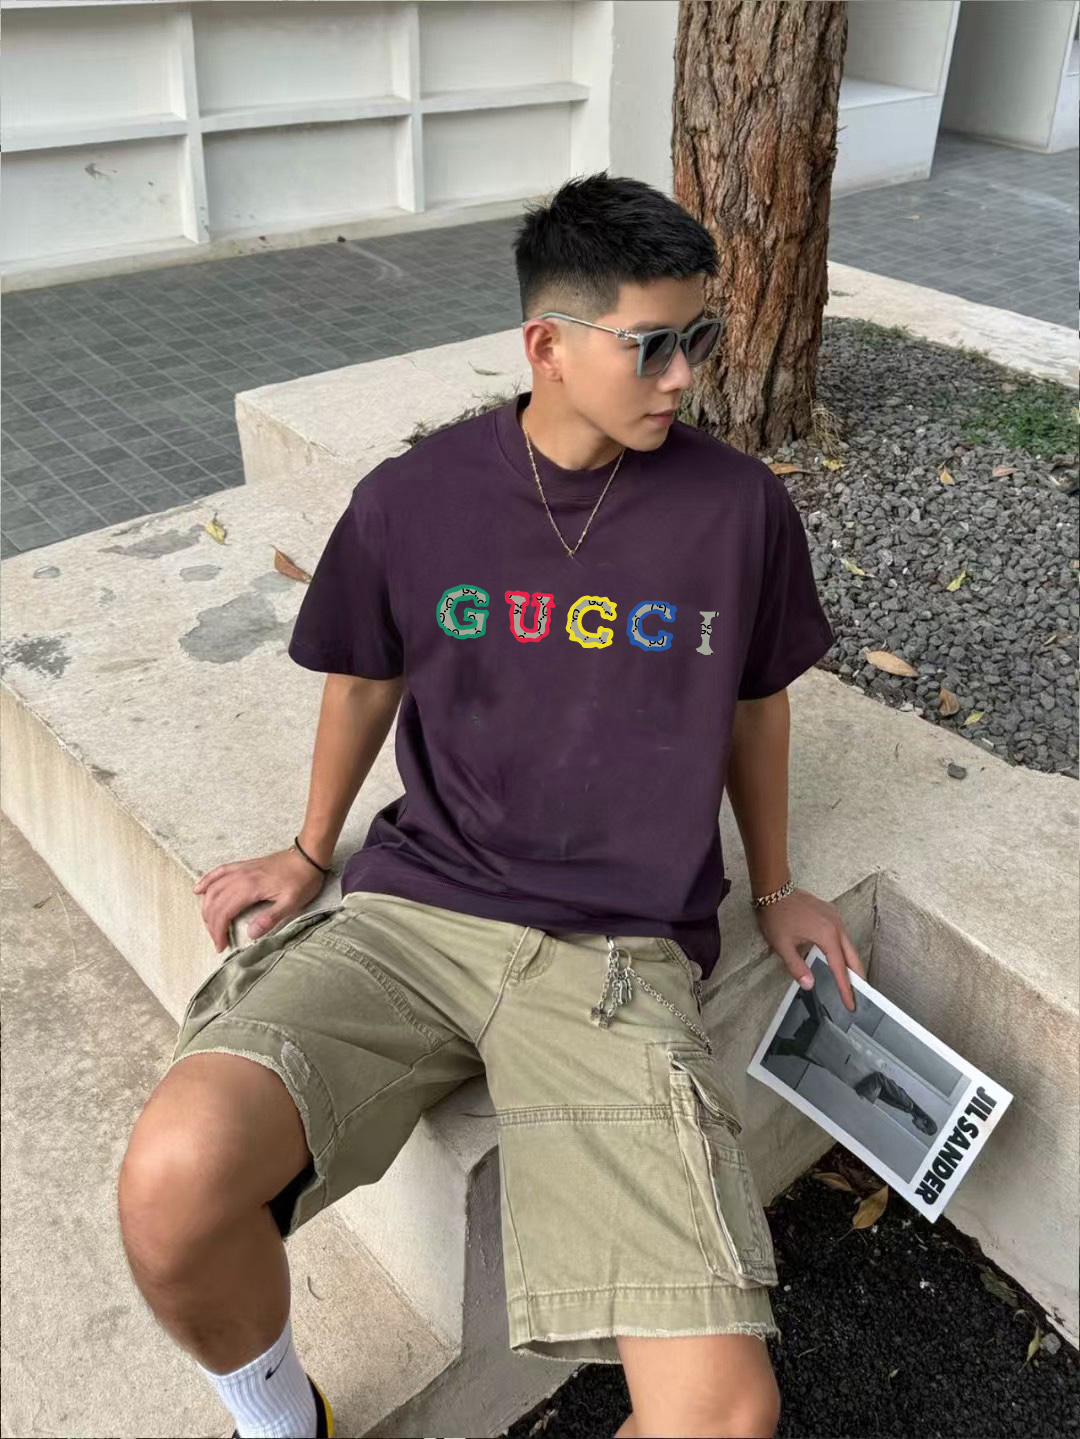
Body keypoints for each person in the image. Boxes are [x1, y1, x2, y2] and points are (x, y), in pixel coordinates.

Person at [117, 171, 865, 1439]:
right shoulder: (415, 498)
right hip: (415, 916)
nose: (686, 375)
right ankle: (283, 1420)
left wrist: (779, 882)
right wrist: (308, 847)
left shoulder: (739, 509)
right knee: (172, 1178)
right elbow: (366, 675)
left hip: (615, 958)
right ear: (547, 346)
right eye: (653, 344)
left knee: (721, 1415)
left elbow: (756, 701)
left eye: (700, 337)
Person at [768, 983, 938, 1134]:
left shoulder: (908, 1108)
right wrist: (866, 1093)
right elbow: (880, 1079)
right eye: (923, 1128)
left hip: (853, 1070)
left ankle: (780, 1041)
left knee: (820, 1046)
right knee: (824, 1034)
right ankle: (806, 992)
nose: (918, 1128)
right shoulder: (907, 1104)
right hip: (855, 1068)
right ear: (924, 1121)